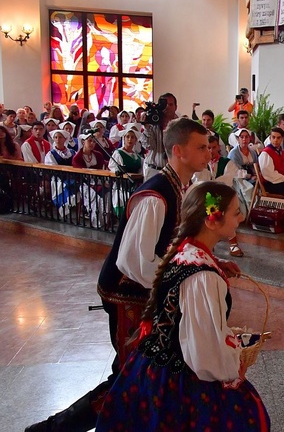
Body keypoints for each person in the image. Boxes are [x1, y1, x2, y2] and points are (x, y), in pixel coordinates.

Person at [24, 119, 235, 432]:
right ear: (178, 151)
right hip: (126, 292)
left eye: (209, 146)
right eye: (201, 147)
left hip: (145, 291)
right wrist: (187, 278)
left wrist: (208, 260)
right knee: (128, 375)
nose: (209, 151)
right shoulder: (156, 195)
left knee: (142, 372)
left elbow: (176, 244)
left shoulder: (181, 186)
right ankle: (52, 429)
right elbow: (133, 261)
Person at [95, 181, 270, 431]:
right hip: (179, 379)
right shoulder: (204, 276)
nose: (240, 217)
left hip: (152, 366)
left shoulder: (186, 251)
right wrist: (233, 363)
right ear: (212, 220)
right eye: (235, 212)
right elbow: (203, 352)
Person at [193, 134, 245, 257]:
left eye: (213, 147)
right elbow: (198, 180)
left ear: (218, 147)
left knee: (226, 218)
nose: (211, 151)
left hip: (222, 196)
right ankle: (207, 245)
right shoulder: (201, 164)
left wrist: (213, 183)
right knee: (204, 220)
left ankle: (233, 243)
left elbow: (229, 178)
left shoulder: (227, 162)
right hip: (205, 197)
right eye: (208, 148)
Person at [140, 92, 180, 180]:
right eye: (164, 104)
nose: (167, 107)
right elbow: (149, 146)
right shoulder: (152, 123)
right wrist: (146, 127)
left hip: (173, 170)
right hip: (153, 169)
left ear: (175, 107)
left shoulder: (180, 125)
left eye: (170, 104)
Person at [258, 127, 284, 196]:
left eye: (278, 138)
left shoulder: (282, 153)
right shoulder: (266, 153)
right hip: (271, 183)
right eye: (273, 137)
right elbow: (269, 174)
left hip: (282, 181)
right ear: (270, 138)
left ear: (282, 139)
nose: (275, 140)